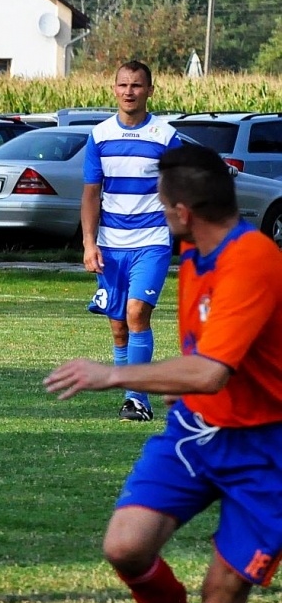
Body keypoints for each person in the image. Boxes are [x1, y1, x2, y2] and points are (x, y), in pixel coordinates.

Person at [45, 143, 282, 603]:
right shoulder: (197, 253)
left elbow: (210, 372)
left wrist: (112, 374)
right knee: (125, 545)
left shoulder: (252, 259)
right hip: (197, 433)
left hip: (267, 450)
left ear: (180, 211)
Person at [80, 60, 183, 422]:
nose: (129, 91)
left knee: (137, 313)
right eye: (123, 85)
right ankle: (128, 391)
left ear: (150, 91)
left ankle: (137, 398)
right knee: (118, 324)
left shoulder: (166, 137)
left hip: (152, 242)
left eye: (137, 86)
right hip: (110, 244)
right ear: (114, 89)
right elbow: (91, 193)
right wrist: (89, 243)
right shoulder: (100, 136)